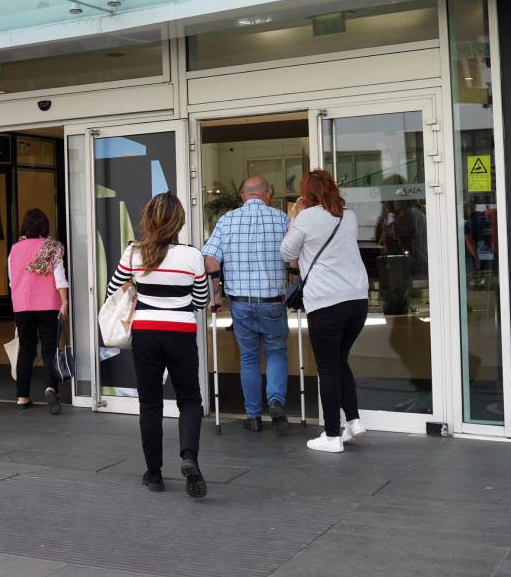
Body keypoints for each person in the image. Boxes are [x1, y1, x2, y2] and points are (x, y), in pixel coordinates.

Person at [105, 193, 210, 498]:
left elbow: (114, 290)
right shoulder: (192, 256)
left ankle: (154, 474)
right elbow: (201, 301)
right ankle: (189, 457)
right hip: (181, 334)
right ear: (180, 221)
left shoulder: (134, 253)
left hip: (146, 334)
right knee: (189, 399)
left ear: (148, 219)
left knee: (149, 403)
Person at [282, 169, 369, 453]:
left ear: (307, 192)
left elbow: (287, 253)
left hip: (326, 302)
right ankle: (353, 421)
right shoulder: (349, 215)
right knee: (340, 360)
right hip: (357, 300)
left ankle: (332, 436)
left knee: (328, 367)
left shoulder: (306, 217)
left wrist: (295, 216)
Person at [202, 176, 291, 433]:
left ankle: (253, 417)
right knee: (276, 352)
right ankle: (276, 401)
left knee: (249, 358)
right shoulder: (282, 219)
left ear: (243, 196)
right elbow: (294, 257)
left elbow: (211, 261)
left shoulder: (227, 221)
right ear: (268, 195)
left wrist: (217, 295)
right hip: (272, 301)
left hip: (240, 302)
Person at [8, 208, 68, 412]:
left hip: (22, 306)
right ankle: (51, 388)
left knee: (26, 349)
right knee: (49, 349)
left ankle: (22, 397)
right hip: (48, 305)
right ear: (45, 226)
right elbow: (59, 277)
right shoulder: (52, 247)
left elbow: (11, 281)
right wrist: (65, 302)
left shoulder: (14, 249)